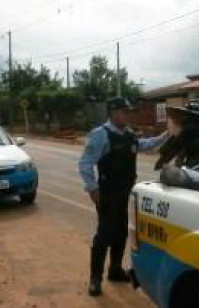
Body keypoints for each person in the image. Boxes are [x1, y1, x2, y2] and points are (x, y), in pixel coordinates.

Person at [78, 97, 168, 296]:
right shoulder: (101, 135)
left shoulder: (128, 135)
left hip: (123, 193)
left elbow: (142, 145)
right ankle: (95, 278)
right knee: (104, 236)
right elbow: (85, 164)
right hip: (107, 194)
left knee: (120, 233)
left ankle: (115, 270)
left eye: (129, 112)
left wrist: (164, 136)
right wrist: (93, 189)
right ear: (113, 112)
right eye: (124, 112)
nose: (128, 115)